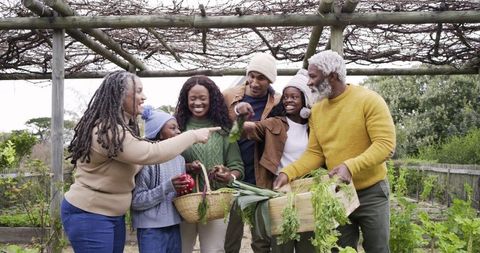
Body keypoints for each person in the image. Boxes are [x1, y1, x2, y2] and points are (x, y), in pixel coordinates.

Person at [61, 71, 219, 253]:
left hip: (113, 214)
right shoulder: (107, 131)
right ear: (120, 95)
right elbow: (151, 153)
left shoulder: (123, 128)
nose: (144, 97)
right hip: (90, 214)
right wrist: (192, 136)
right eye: (138, 92)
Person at [273, 50, 396, 253]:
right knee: (338, 249)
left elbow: (385, 145)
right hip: (337, 193)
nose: (309, 82)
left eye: (313, 76)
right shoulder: (318, 110)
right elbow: (315, 153)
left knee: (378, 248)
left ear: (332, 76)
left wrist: (350, 166)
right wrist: (288, 173)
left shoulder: (368, 100)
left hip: (371, 192)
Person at [242, 69, 316, 253]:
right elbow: (254, 129)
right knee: (281, 244)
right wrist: (243, 121)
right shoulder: (275, 123)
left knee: (307, 243)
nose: (289, 100)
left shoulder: (314, 126)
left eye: (294, 97)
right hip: (280, 191)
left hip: (307, 191)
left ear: (305, 100)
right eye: (286, 97)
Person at [174, 75, 244, 253]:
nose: (198, 102)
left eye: (203, 98)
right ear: (185, 100)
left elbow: (238, 167)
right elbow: (166, 161)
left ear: (212, 99)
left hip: (215, 202)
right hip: (183, 202)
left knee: (214, 250)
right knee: (180, 249)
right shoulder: (177, 128)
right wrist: (187, 168)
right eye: (193, 98)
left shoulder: (223, 130)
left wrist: (229, 175)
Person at [222, 52, 281, 253]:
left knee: (261, 237)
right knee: (230, 236)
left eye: (261, 78)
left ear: (270, 80)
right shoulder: (229, 96)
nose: (254, 82)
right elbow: (222, 133)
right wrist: (238, 114)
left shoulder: (278, 102)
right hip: (233, 175)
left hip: (261, 177)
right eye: (251, 76)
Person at [131, 106, 187, 253]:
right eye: (173, 128)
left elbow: (177, 195)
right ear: (159, 133)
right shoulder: (146, 160)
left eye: (178, 128)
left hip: (174, 225)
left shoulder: (179, 159)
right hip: (151, 229)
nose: (179, 132)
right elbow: (136, 201)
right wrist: (168, 186)